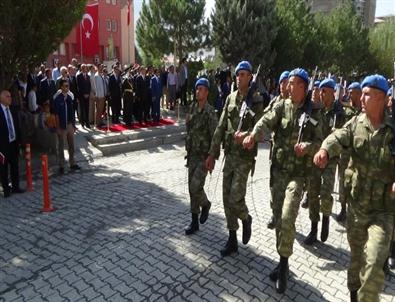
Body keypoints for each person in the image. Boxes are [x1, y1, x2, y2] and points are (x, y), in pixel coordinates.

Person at [314, 74, 394, 302]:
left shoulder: (393, 130)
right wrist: (325, 150)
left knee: (374, 260)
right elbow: (339, 136)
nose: (361, 98)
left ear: (381, 98)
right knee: (356, 261)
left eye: (367, 94)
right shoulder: (357, 123)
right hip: (357, 207)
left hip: (383, 211)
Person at [242, 68, 322, 293]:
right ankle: (282, 262)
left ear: (304, 88)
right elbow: (265, 121)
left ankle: (284, 266)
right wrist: (253, 135)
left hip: (297, 176)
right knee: (279, 218)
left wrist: (308, 147)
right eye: (289, 83)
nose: (289, 86)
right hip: (278, 174)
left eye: (295, 84)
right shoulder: (281, 105)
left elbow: (322, 143)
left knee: (287, 218)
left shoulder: (314, 112)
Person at [205, 61, 264, 257]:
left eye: (245, 74)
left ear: (250, 78)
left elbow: (260, 129)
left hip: (245, 157)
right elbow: (221, 127)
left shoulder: (255, 100)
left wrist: (247, 134)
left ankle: (246, 218)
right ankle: (232, 239)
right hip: (230, 155)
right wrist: (212, 154)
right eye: (238, 74)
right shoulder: (230, 98)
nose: (240, 77)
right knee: (225, 198)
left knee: (235, 197)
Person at [304, 78, 344, 245]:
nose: (321, 93)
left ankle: (326, 218)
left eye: (325, 91)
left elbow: (344, 137)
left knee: (326, 192)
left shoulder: (339, 112)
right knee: (313, 192)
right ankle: (314, 227)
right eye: (320, 91)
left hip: (331, 159)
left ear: (332, 92)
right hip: (315, 156)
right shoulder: (316, 110)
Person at [185, 78, 218, 235]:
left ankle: (205, 204)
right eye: (196, 89)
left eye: (201, 89)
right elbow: (190, 130)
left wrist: (212, 157)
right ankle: (194, 222)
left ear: (207, 92)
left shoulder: (210, 112)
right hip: (192, 155)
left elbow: (216, 136)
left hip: (204, 157)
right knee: (191, 190)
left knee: (195, 186)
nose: (198, 91)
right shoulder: (191, 108)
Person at [336, 82, 362, 222]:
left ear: (359, 93)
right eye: (349, 91)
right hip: (345, 152)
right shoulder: (344, 109)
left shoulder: (364, 111)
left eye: (352, 92)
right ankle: (343, 207)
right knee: (343, 179)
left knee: (357, 180)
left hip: (358, 153)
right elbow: (339, 126)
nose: (349, 94)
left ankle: (355, 209)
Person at [53, 79, 80, 174]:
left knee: (72, 145)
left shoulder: (69, 98)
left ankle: (72, 163)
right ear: (61, 87)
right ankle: (61, 165)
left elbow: (72, 112)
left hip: (69, 125)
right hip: (62, 126)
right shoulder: (57, 99)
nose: (67, 87)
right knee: (61, 146)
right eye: (65, 86)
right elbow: (56, 115)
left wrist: (74, 125)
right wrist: (57, 127)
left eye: (68, 86)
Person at [0, 90, 24, 198]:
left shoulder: (13, 110)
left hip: (13, 143)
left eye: (10, 96)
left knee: (15, 166)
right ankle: (5, 189)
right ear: (1, 98)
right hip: (2, 146)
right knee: (3, 168)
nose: (10, 98)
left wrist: (19, 142)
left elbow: (17, 127)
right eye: (7, 96)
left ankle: (15, 187)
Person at [76, 64, 91, 128]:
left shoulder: (88, 76)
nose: (85, 69)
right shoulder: (78, 76)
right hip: (82, 96)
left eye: (86, 68)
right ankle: (82, 123)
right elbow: (79, 87)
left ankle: (87, 123)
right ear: (81, 69)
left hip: (87, 96)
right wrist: (83, 94)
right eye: (84, 68)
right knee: (82, 109)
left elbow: (89, 86)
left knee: (87, 109)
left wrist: (88, 94)